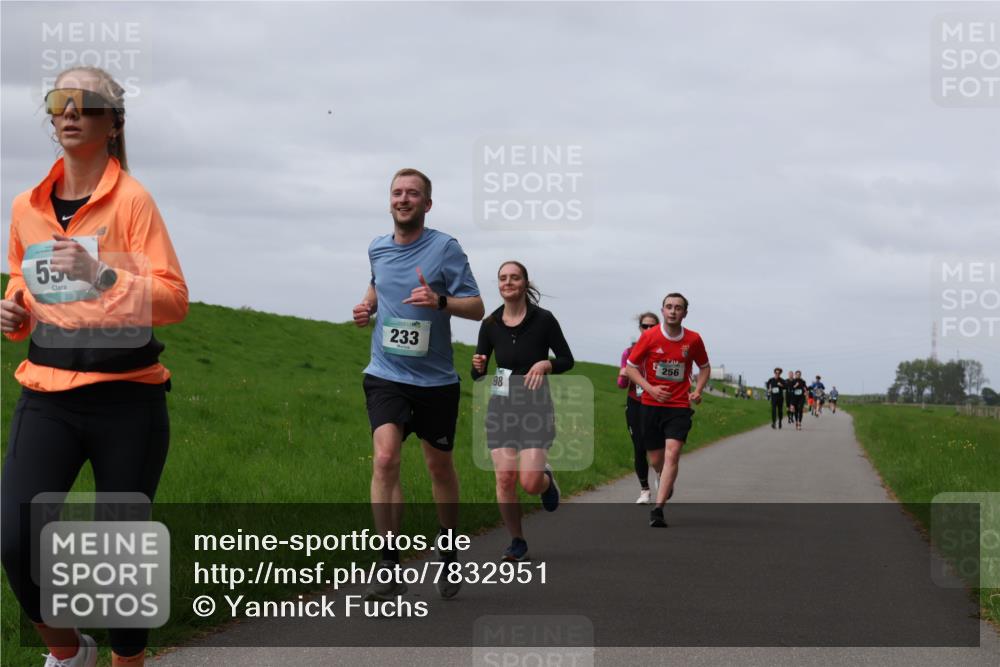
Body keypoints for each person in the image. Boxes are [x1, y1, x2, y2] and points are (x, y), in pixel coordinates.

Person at [1, 67, 188, 667]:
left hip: (127, 400)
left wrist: (104, 275)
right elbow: (24, 281)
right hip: (46, 397)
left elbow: (173, 300)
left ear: (114, 123)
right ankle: (68, 651)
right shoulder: (25, 207)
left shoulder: (133, 201)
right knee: (14, 539)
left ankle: (127, 661)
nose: (70, 111)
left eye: (86, 102)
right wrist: (13, 310)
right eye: (60, 100)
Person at [353, 168, 483, 600]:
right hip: (385, 373)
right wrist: (367, 307)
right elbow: (377, 284)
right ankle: (389, 565)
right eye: (397, 192)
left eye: (413, 193)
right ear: (389, 200)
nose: (403, 199)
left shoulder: (445, 248)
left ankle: (448, 550)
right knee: (385, 458)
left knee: (438, 467)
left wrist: (440, 300)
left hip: (436, 381)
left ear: (427, 204)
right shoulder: (377, 247)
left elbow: (477, 307)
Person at [472, 262, 573, 560]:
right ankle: (517, 541)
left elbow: (567, 359)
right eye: (503, 278)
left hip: (535, 409)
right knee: (505, 478)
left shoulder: (544, 320)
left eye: (514, 277)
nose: (508, 282)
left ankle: (545, 481)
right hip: (501, 405)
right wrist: (478, 366)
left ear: (525, 283)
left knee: (529, 483)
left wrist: (546, 364)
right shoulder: (490, 323)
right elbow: (477, 374)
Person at [624, 293, 710, 528]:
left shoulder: (693, 339)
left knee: (673, 453)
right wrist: (650, 388)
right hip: (651, 406)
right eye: (669, 307)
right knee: (655, 458)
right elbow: (631, 368)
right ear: (662, 310)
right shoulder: (650, 336)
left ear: (685, 313)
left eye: (678, 308)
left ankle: (658, 509)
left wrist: (698, 390)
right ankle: (664, 478)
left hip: (679, 406)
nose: (673, 311)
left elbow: (704, 367)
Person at [617, 312, 659, 503]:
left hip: (657, 403)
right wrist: (624, 375)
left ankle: (660, 474)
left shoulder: (663, 350)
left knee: (657, 446)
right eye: (645, 326)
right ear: (640, 328)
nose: (648, 329)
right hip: (636, 402)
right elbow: (621, 385)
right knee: (639, 447)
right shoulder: (629, 352)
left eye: (652, 326)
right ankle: (644, 490)